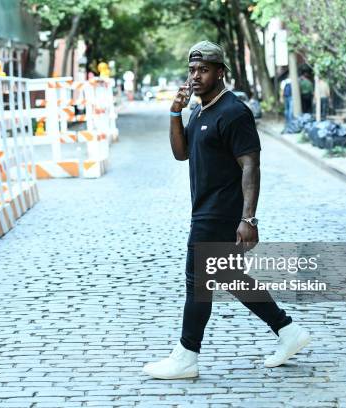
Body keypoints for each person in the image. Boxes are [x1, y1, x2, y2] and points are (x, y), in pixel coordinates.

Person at [142, 41, 311, 380]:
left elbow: (251, 165)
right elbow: (181, 153)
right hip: (204, 207)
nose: (196, 76)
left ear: (220, 71)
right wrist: (175, 112)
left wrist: (248, 219)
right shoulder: (202, 110)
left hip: (219, 214)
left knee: (197, 281)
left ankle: (186, 355)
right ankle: (288, 331)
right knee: (229, 278)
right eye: (192, 70)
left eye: (203, 69)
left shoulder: (234, 112)